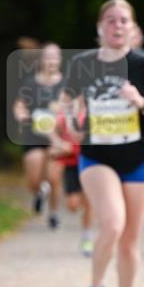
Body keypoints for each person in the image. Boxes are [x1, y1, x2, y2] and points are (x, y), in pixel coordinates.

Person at [62, 0, 144, 287]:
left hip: (139, 156)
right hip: (97, 155)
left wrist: (139, 101)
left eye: (123, 20)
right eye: (111, 20)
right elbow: (66, 106)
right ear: (100, 27)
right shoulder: (83, 64)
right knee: (111, 224)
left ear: (132, 27)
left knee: (129, 240)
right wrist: (70, 124)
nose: (117, 25)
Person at [12, 42, 64, 227]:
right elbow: (19, 104)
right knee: (33, 179)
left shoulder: (65, 84)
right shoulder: (30, 83)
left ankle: (54, 213)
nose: (51, 61)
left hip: (57, 138)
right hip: (34, 136)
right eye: (48, 56)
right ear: (41, 59)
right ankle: (40, 191)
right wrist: (20, 114)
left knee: (54, 177)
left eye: (55, 56)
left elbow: (74, 107)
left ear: (60, 59)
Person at [49, 102, 93, 255]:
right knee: (73, 205)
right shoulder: (65, 111)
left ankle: (87, 237)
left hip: (89, 160)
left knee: (89, 202)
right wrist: (60, 144)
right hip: (70, 161)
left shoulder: (94, 108)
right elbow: (53, 131)